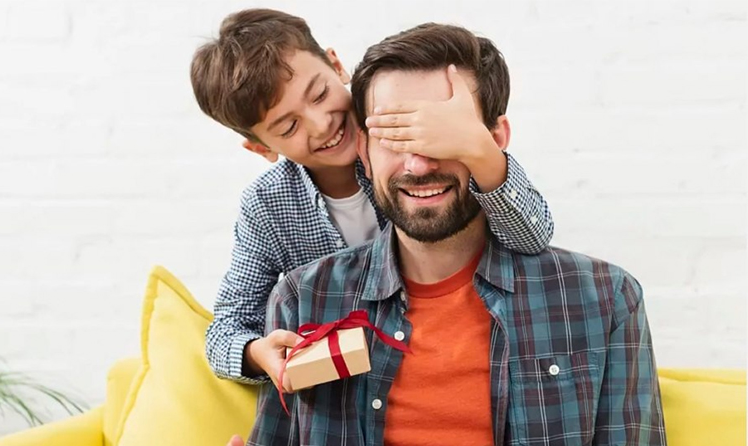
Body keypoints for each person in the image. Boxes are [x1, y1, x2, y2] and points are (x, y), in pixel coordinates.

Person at [224, 22, 671, 446]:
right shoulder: (304, 297)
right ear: (363, 149)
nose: (418, 164)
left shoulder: (603, 299)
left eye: (442, 137)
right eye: (394, 138)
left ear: (493, 142)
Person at [190, 9, 554, 391]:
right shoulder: (268, 206)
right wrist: (256, 353)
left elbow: (532, 236)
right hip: (363, 387)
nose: (322, 123)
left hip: (461, 349)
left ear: (336, 65)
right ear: (261, 147)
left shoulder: (417, 152)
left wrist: (480, 149)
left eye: (319, 94)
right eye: (289, 126)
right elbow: (227, 327)